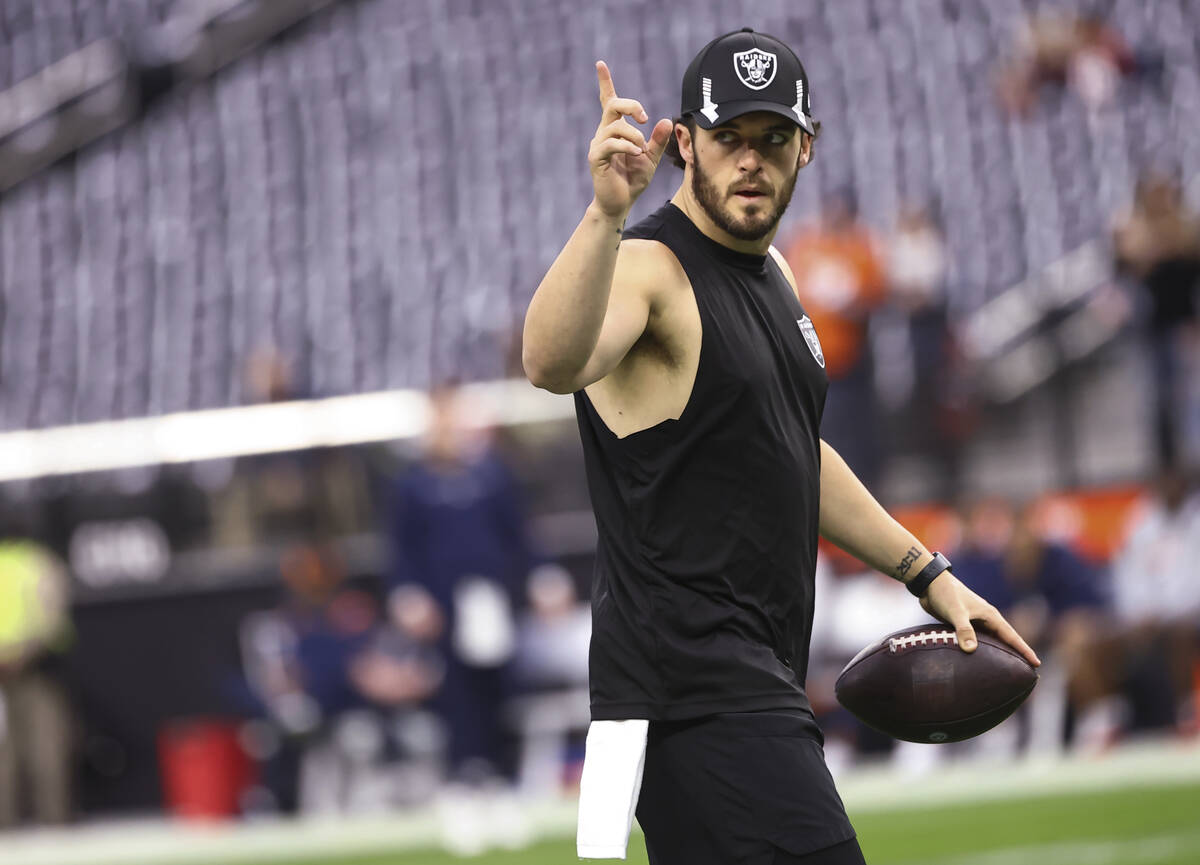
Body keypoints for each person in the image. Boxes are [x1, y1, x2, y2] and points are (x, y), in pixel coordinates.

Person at [521, 28, 1041, 865]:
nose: (750, 161)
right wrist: (603, 214)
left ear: (808, 146)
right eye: (728, 138)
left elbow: (798, 450)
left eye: (771, 140)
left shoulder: (777, 278)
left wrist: (929, 575)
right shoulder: (650, 266)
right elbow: (549, 362)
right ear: (685, 142)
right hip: (693, 694)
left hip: (749, 682)